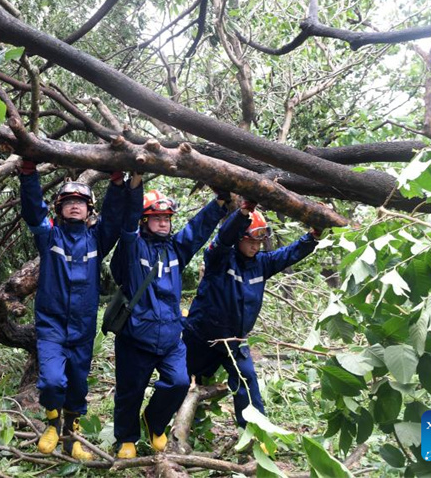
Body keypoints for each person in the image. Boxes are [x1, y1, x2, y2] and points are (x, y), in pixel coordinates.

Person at [110, 175, 228, 459]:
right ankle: (126, 438)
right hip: (136, 336)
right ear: (143, 220)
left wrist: (221, 203)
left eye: (167, 218)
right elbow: (126, 227)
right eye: (156, 218)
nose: (164, 223)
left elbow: (197, 230)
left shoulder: (176, 249)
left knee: (177, 382)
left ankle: (154, 421)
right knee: (130, 391)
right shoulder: (133, 247)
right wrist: (135, 188)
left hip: (171, 338)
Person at [19, 161, 126, 461]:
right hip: (52, 325)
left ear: (90, 208)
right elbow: (33, 212)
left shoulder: (97, 240)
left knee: (77, 385)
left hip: (83, 327)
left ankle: (71, 436)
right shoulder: (49, 237)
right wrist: (28, 173)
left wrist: (117, 185)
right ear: (59, 208)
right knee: (53, 380)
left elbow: (115, 219)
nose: (75, 206)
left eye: (80, 202)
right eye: (68, 202)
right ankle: (52, 423)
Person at [183, 199, 321, 427]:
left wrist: (313, 236)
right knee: (187, 380)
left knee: (247, 380)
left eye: (260, 241)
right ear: (239, 238)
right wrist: (243, 213)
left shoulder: (261, 264)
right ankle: (185, 424)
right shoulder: (220, 259)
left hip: (235, 339)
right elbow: (223, 238)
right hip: (201, 335)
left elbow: (290, 254)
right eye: (250, 241)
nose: (256, 246)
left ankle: (255, 432)